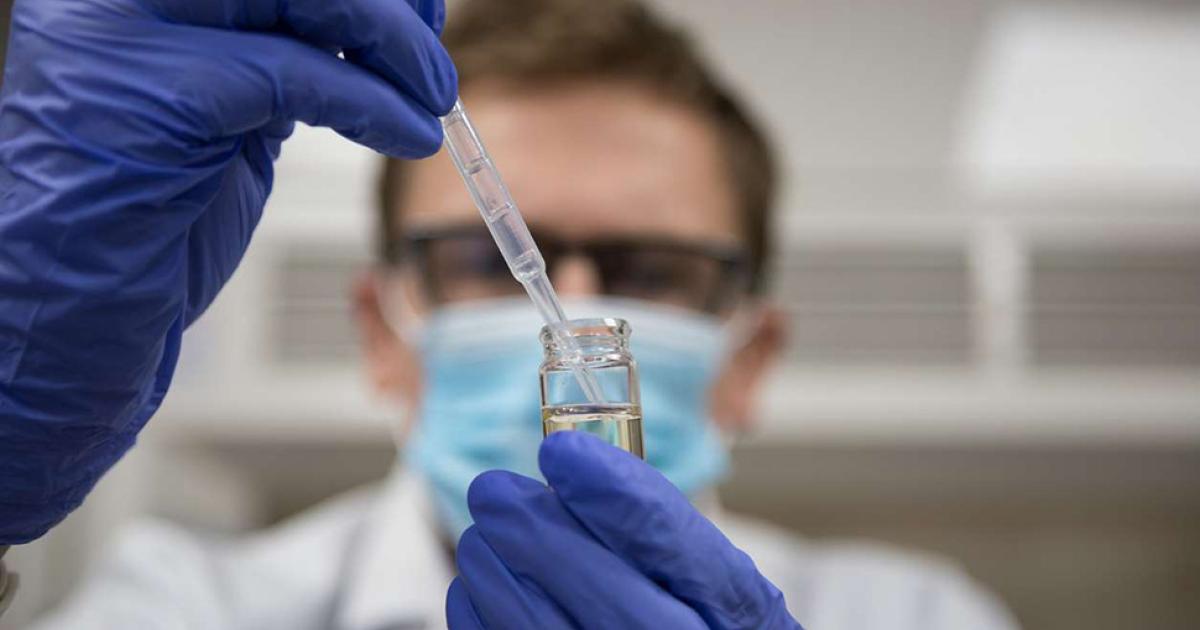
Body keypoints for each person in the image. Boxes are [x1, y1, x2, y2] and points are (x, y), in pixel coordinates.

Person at [2, 0, 1018, 628]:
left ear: (749, 357)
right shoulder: (188, 608)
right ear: (382, 337)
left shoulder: (915, 615)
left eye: (650, 270)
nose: (573, 307)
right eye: (483, 260)